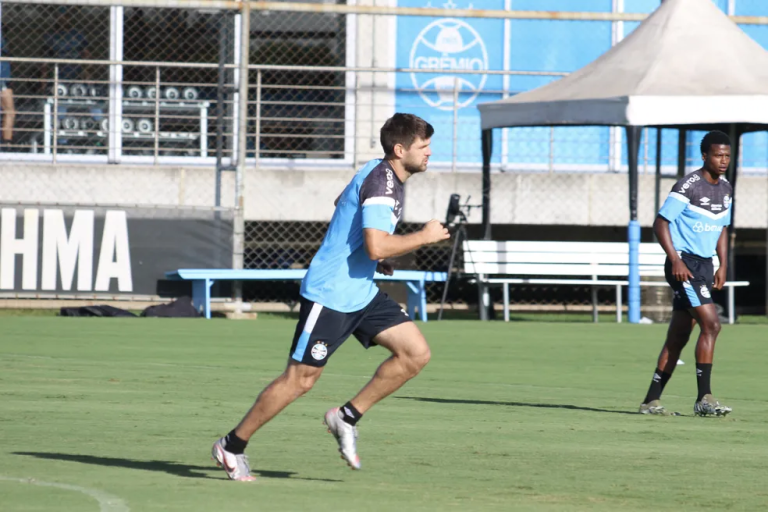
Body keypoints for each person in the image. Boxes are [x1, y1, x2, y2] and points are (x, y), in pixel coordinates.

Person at [211, 113, 450, 481]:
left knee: (415, 353)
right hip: (330, 294)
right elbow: (374, 245)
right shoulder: (384, 184)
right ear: (400, 150)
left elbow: (343, 202)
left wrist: (374, 254)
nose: (430, 153)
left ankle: (345, 417)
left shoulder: (380, 171)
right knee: (300, 381)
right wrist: (423, 236)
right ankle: (232, 445)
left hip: (360, 292)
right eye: (424, 147)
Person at [638, 130, 734, 417]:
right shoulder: (688, 186)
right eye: (718, 155)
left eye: (727, 155)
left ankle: (650, 401)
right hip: (685, 266)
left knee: (678, 336)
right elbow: (660, 223)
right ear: (704, 155)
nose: (723, 160)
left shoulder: (726, 189)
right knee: (712, 325)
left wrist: (723, 264)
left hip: (704, 265)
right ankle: (704, 398)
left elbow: (722, 228)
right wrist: (675, 259)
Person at [0, 35, 16, 149]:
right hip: (2, 78)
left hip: (4, 78)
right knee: (9, 110)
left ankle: (6, 144)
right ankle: (6, 144)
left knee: (9, 111)